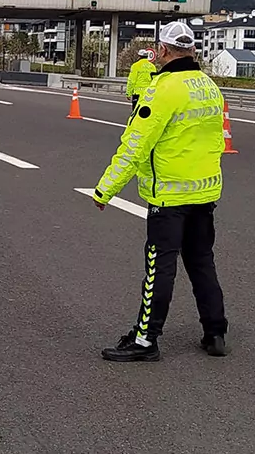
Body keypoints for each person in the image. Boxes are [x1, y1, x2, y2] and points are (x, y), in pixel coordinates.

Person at [91, 21, 229, 362]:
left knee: (160, 266)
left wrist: (105, 189)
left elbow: (135, 145)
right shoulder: (209, 87)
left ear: (163, 51)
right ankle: (215, 332)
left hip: (169, 195)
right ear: (193, 50)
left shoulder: (161, 90)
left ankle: (145, 340)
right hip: (205, 192)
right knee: (201, 262)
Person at [126, 48, 156, 112]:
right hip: (149, 93)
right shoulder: (152, 66)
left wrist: (128, 93)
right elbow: (155, 80)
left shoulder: (135, 66)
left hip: (138, 93)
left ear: (139, 56)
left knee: (136, 112)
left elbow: (131, 80)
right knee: (146, 112)